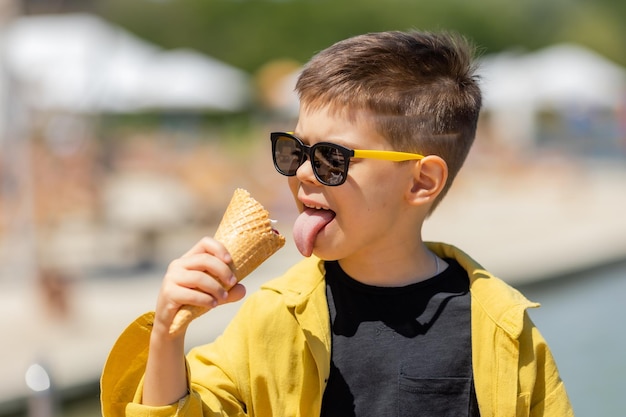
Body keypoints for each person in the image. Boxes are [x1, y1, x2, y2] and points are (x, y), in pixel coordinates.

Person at [101, 30, 574, 417]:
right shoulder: (275, 318)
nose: (304, 171)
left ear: (420, 181)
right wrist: (167, 332)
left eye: (332, 158)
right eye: (295, 150)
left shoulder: (501, 329)